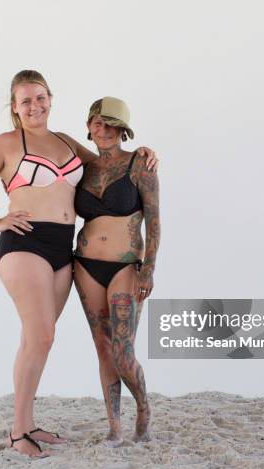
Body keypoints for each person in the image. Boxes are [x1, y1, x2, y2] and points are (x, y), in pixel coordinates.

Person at [0, 71, 158, 457]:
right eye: (25, 101)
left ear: (51, 98)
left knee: (39, 341)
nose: (35, 106)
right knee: (41, 335)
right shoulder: (6, 143)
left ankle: (29, 423)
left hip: (64, 251)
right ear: (14, 107)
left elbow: (107, 163)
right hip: (24, 243)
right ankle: (18, 433)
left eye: (40, 97)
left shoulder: (66, 142)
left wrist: (144, 151)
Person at [73, 97, 160, 445]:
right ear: (89, 126)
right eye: (97, 122)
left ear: (123, 130)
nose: (103, 129)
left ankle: (143, 406)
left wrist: (148, 269)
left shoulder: (139, 164)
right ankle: (114, 427)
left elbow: (154, 223)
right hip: (86, 266)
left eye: (110, 124)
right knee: (103, 347)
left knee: (124, 352)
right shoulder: (82, 166)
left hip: (126, 266)